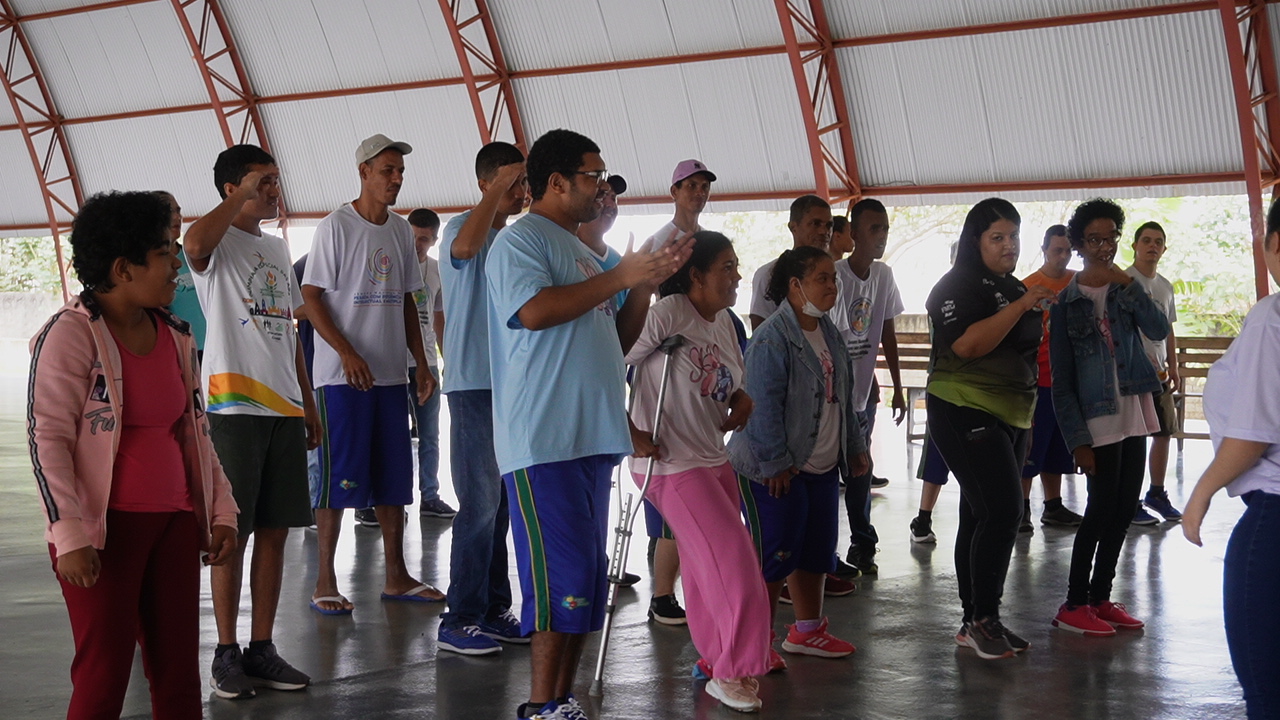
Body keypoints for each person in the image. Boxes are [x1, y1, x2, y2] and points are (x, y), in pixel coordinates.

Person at [486, 128, 688, 720]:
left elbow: (616, 341)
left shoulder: (586, 252)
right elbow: (532, 311)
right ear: (556, 182)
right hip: (544, 439)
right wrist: (621, 277)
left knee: (586, 583)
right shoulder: (522, 240)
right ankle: (540, 704)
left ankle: (561, 701)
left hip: (591, 438)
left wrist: (642, 287)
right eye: (593, 176)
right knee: (561, 581)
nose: (602, 187)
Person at [28, 190, 239, 719]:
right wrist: (69, 535)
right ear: (123, 269)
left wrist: (221, 511)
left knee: (178, 677)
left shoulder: (176, 335)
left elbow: (196, 432)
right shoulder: (70, 335)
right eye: (165, 253)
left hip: (173, 525)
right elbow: (47, 440)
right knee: (104, 678)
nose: (177, 266)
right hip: (103, 535)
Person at [183, 144, 319, 698]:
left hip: (283, 407)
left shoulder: (277, 247)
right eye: (262, 181)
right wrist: (240, 194)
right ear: (231, 188)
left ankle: (262, 648)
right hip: (234, 407)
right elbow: (192, 245)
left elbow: (289, 328)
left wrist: (307, 402)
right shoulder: (215, 245)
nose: (273, 190)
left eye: (275, 180)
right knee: (231, 534)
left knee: (276, 532)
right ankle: (225, 652)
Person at [626, 231, 771, 712]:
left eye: (736, 266)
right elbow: (605, 362)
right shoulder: (668, 314)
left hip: (713, 457)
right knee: (735, 562)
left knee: (707, 568)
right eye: (726, 267)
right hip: (670, 464)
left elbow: (729, 380)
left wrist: (742, 399)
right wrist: (627, 429)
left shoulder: (725, 322)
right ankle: (733, 668)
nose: (737, 276)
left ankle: (717, 658)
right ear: (696, 276)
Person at [301, 134, 442, 615]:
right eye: (387, 170)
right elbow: (311, 297)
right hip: (341, 380)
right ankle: (324, 579)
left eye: (400, 171)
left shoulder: (401, 231)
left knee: (393, 477)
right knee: (337, 478)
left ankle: (397, 576)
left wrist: (420, 363)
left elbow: (406, 299)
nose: (396, 179)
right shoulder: (335, 227)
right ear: (364, 172)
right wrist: (346, 353)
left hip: (390, 377)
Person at [728, 246, 870, 665]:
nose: (833, 286)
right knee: (774, 556)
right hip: (774, 470)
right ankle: (756, 643)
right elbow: (762, 406)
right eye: (822, 278)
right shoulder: (772, 338)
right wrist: (774, 463)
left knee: (815, 551)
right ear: (795, 285)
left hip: (820, 465)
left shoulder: (829, 332)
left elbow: (844, 398)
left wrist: (855, 447)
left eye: (834, 278)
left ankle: (807, 631)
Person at [925, 198, 1054, 660]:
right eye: (997, 237)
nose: (1008, 245)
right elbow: (968, 345)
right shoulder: (954, 286)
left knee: (979, 513)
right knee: (1003, 511)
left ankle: (977, 621)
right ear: (974, 240)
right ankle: (982, 618)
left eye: (1013, 236)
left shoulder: (1014, 287)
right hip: (963, 406)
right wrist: (1022, 305)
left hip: (1013, 413)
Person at [1048, 199, 1169, 637]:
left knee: (1123, 510)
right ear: (1079, 245)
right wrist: (1077, 440)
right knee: (1099, 511)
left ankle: (1101, 597)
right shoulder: (1066, 303)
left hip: (1134, 406)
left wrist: (1128, 283)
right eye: (1094, 240)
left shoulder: (1125, 290)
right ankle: (1074, 603)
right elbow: (1062, 381)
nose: (1104, 247)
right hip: (1097, 418)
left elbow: (1158, 328)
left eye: (1111, 238)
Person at [1183, 197, 1280, 720]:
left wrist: (1200, 493)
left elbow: (1253, 435)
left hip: (1274, 518)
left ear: (1272, 244)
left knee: (1267, 694)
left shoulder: (1272, 316)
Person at [436, 141, 529, 655]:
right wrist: (497, 191)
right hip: (473, 382)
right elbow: (467, 249)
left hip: (510, 384)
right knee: (478, 502)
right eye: (512, 182)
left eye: (524, 183)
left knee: (502, 505)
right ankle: (460, 617)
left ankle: (494, 608)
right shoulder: (460, 228)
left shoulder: (515, 241)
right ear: (485, 183)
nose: (520, 192)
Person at [831, 198, 905, 576]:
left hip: (864, 392)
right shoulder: (834, 276)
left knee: (861, 470)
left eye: (885, 228)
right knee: (832, 472)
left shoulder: (884, 276)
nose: (882, 235)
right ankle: (823, 552)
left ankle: (863, 544)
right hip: (834, 395)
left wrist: (896, 386)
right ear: (854, 233)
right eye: (874, 228)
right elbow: (830, 339)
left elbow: (886, 331)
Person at [1020, 225, 1086, 532]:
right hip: (1037, 379)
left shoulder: (1078, 282)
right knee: (1032, 446)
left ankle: (1053, 505)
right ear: (1044, 249)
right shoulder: (1027, 287)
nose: (1063, 256)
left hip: (1068, 380)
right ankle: (1021, 508)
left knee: (1059, 446)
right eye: (1057, 250)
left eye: (1068, 251)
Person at [1125, 221, 1184, 525]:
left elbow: (1168, 328)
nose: (1152, 246)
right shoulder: (1124, 281)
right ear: (1134, 246)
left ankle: (1157, 493)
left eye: (1158, 242)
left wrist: (1173, 365)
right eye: (1146, 240)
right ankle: (1130, 501)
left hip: (1160, 373)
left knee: (1164, 433)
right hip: (1133, 374)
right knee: (1134, 437)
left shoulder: (1165, 286)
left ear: (1164, 248)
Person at [407, 208, 455, 519]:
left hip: (426, 363)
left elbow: (439, 319)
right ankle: (393, 497)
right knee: (393, 434)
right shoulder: (393, 266)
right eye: (413, 237)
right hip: (395, 363)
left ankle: (430, 495)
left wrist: (447, 358)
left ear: (434, 240)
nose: (418, 244)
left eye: (424, 239)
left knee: (430, 434)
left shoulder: (437, 271)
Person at [748, 195, 833, 330]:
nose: (824, 231)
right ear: (793, 227)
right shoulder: (769, 274)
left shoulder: (833, 277)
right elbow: (760, 332)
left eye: (829, 225)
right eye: (815, 224)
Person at [159, 192, 207, 361]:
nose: (176, 217)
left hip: (214, 347)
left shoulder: (195, 256)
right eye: (168, 211)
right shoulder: (149, 268)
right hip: (183, 353)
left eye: (178, 211)